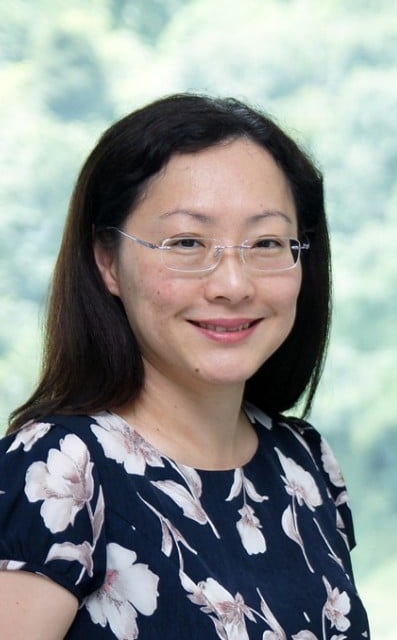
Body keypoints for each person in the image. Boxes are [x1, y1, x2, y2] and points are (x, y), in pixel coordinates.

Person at [0, 93, 370, 638]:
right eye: (187, 242)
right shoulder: (60, 471)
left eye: (266, 242)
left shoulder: (303, 462)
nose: (232, 285)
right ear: (108, 261)